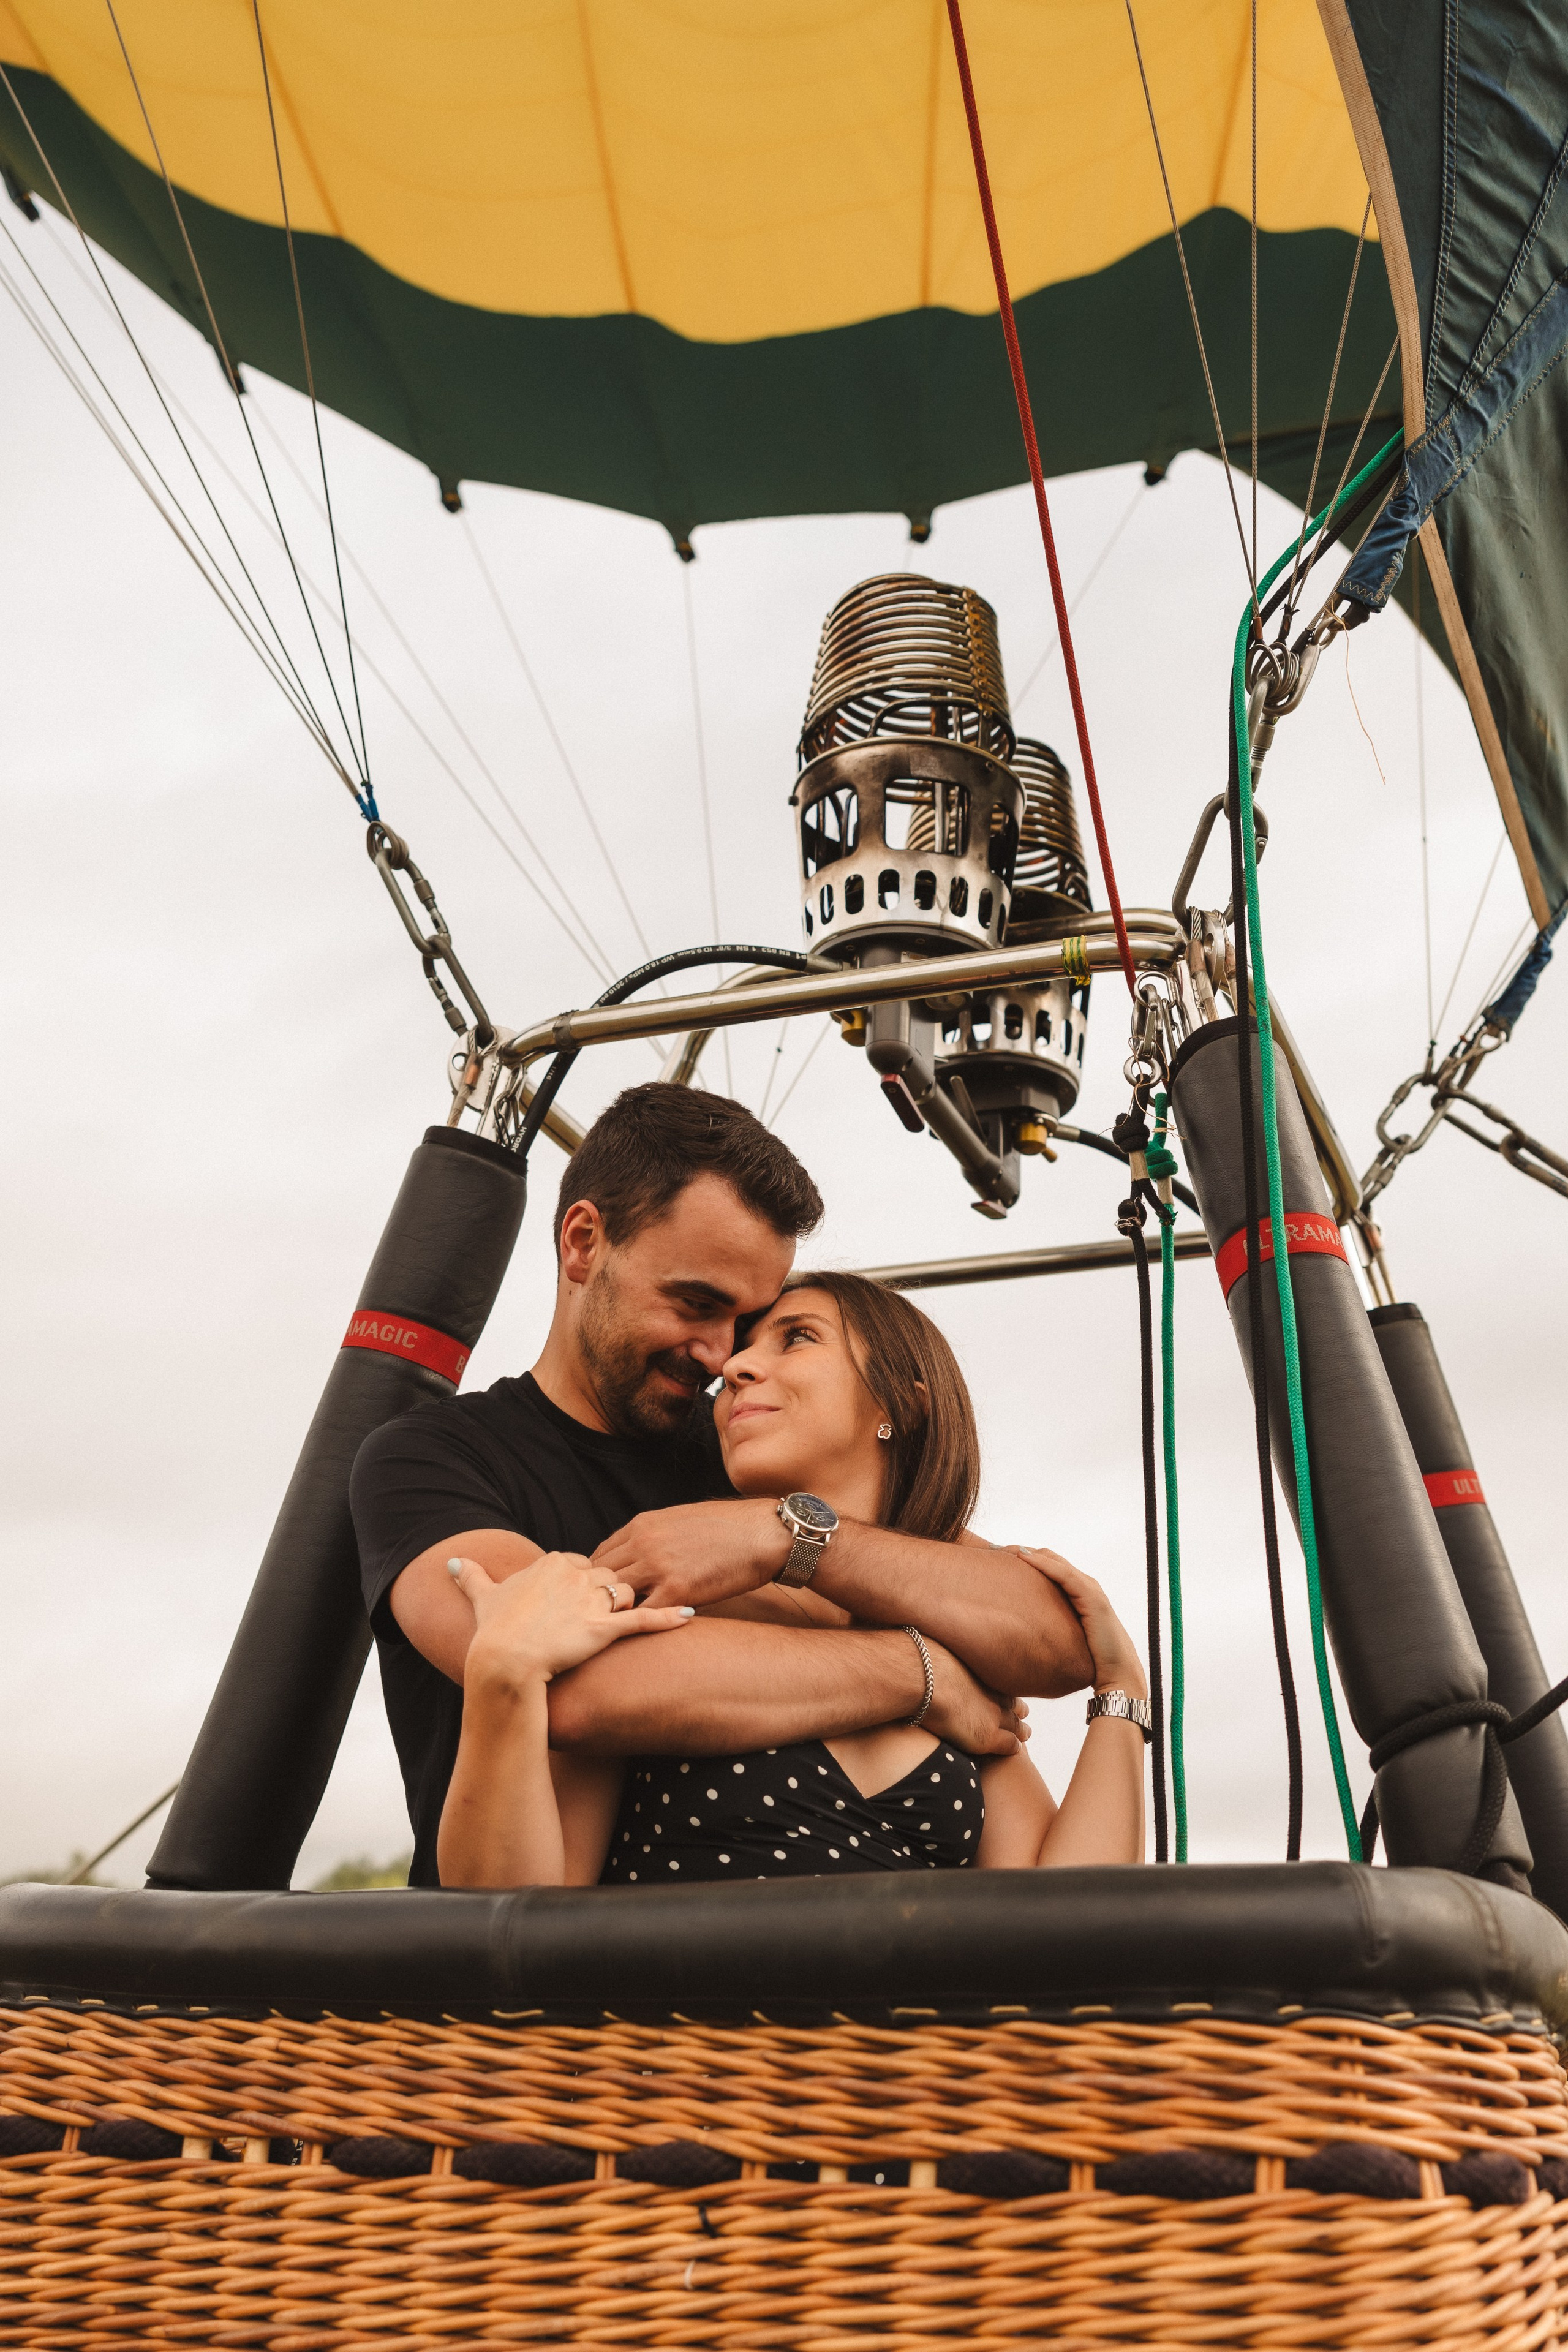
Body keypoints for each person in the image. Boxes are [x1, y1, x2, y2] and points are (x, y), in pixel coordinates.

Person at [351, 1084, 1095, 1885]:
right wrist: (917, 1674)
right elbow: (572, 1686)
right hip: (537, 1971)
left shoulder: (755, 1457)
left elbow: (1049, 1639)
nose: (720, 1354)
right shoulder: (434, 1458)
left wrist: (786, 1537)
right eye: (695, 1303)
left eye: (745, 1321)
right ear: (583, 1244)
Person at [437, 1272, 1147, 1885]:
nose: (737, 1368)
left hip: (911, 2045)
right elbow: (525, 1907)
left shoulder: (956, 1652)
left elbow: (1068, 1931)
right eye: (740, 1356)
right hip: (684, 2040)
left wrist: (1121, 1697)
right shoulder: (668, 1594)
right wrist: (503, 1673)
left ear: (901, 1401)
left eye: (796, 1337)